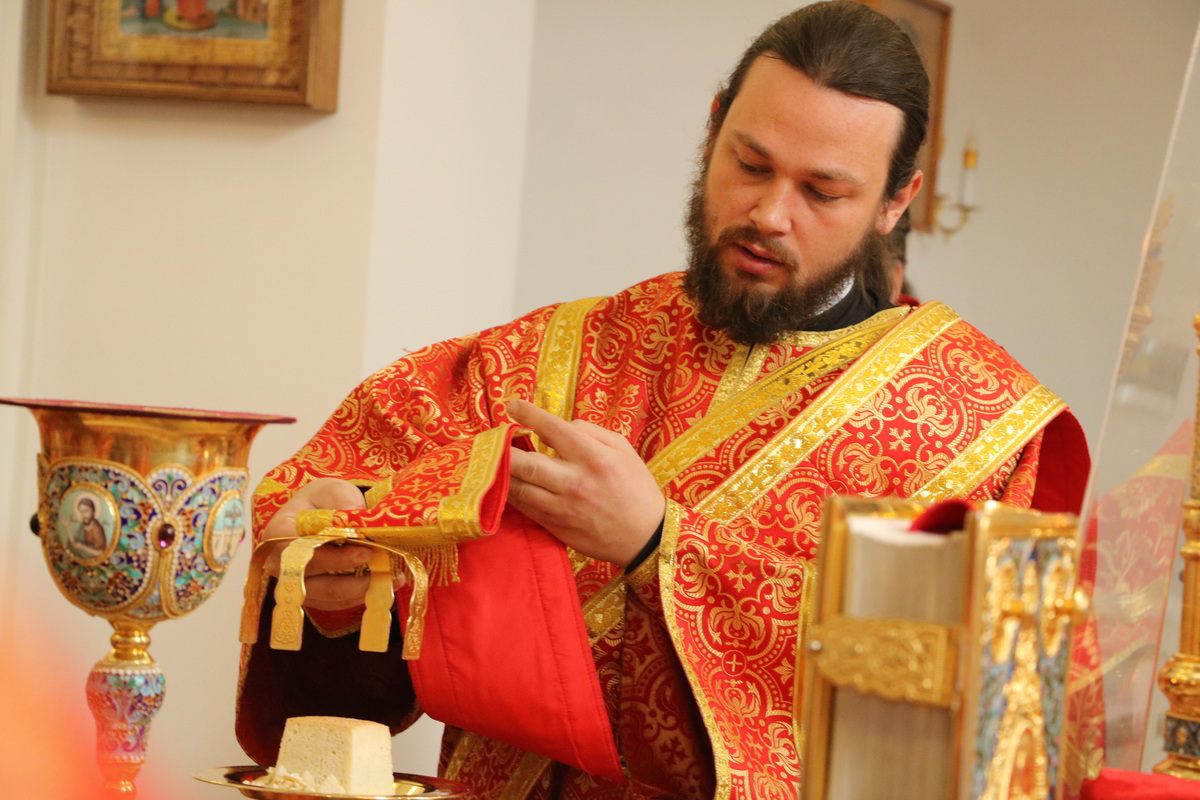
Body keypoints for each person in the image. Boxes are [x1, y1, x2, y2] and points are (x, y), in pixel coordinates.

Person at [236, 3, 1090, 799]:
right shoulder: (550, 357)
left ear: (895, 202)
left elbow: (982, 727)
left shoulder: (981, 428)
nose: (769, 214)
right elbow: (336, 542)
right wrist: (325, 580)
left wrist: (659, 546)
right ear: (714, 129)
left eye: (822, 192)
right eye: (750, 164)